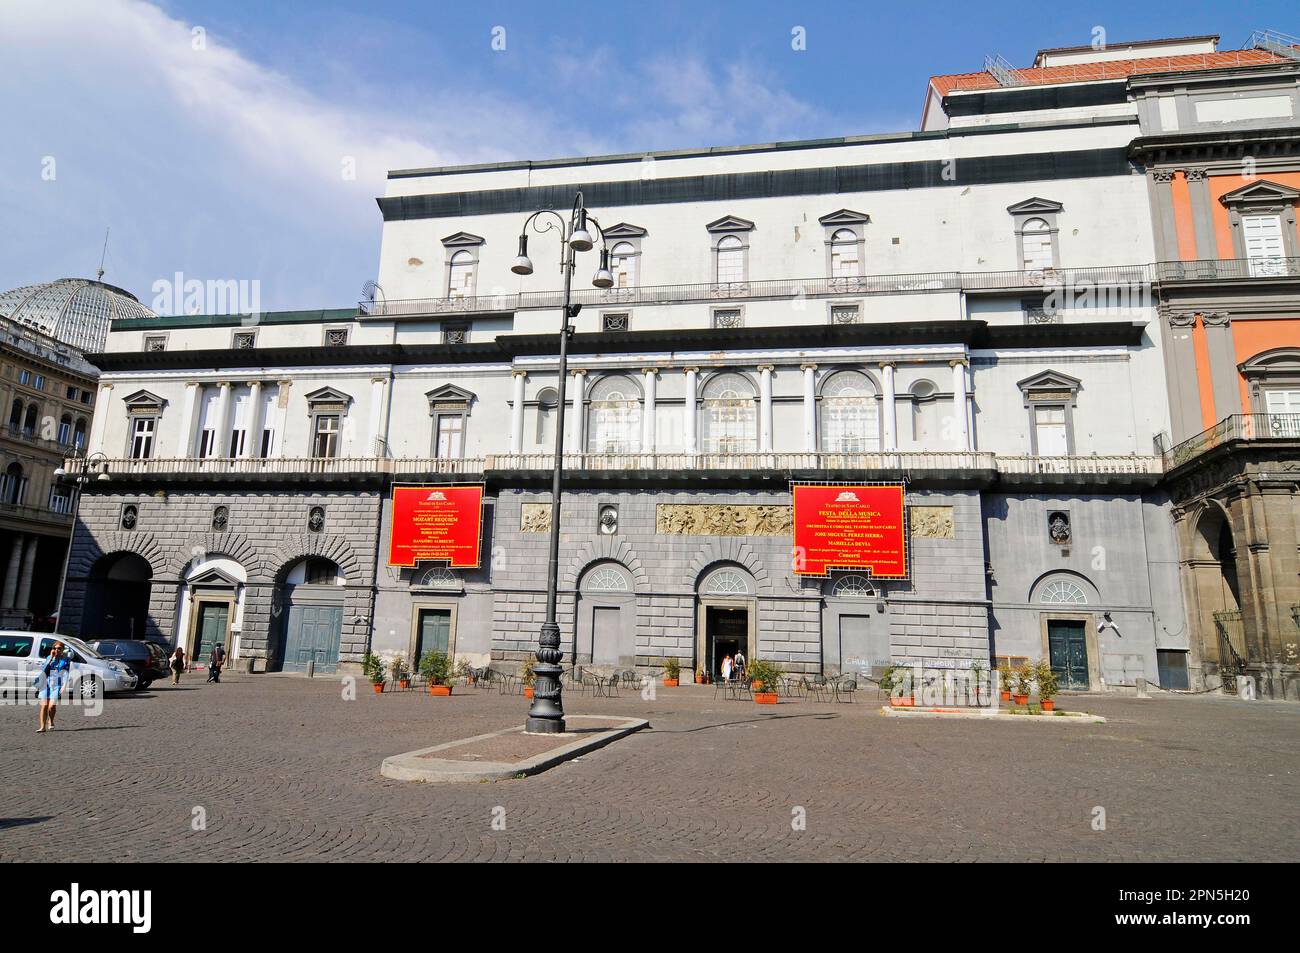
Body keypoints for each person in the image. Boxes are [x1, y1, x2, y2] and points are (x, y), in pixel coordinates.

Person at [37, 642, 71, 733]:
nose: (57, 650)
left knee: (51, 706)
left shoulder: (66, 659)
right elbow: (44, 670)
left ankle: (51, 721)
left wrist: (64, 685)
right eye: (55, 648)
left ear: (63, 649)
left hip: (57, 685)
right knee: (44, 706)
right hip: (46, 683)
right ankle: (42, 727)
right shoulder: (49, 658)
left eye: (59, 648)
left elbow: (66, 672)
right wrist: (51, 658)